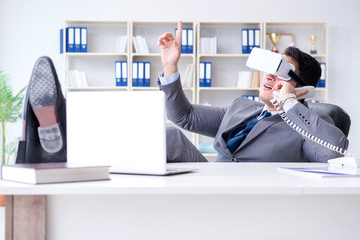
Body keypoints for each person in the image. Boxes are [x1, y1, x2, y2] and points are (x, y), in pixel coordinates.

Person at [157, 21, 349, 163]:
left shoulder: (312, 125)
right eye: (271, 67)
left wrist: (290, 103)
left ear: (303, 89)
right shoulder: (241, 107)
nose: (270, 76)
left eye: (282, 72)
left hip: (257, 199)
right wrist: (170, 66)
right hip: (214, 182)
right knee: (169, 136)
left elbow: (333, 153)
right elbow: (184, 116)